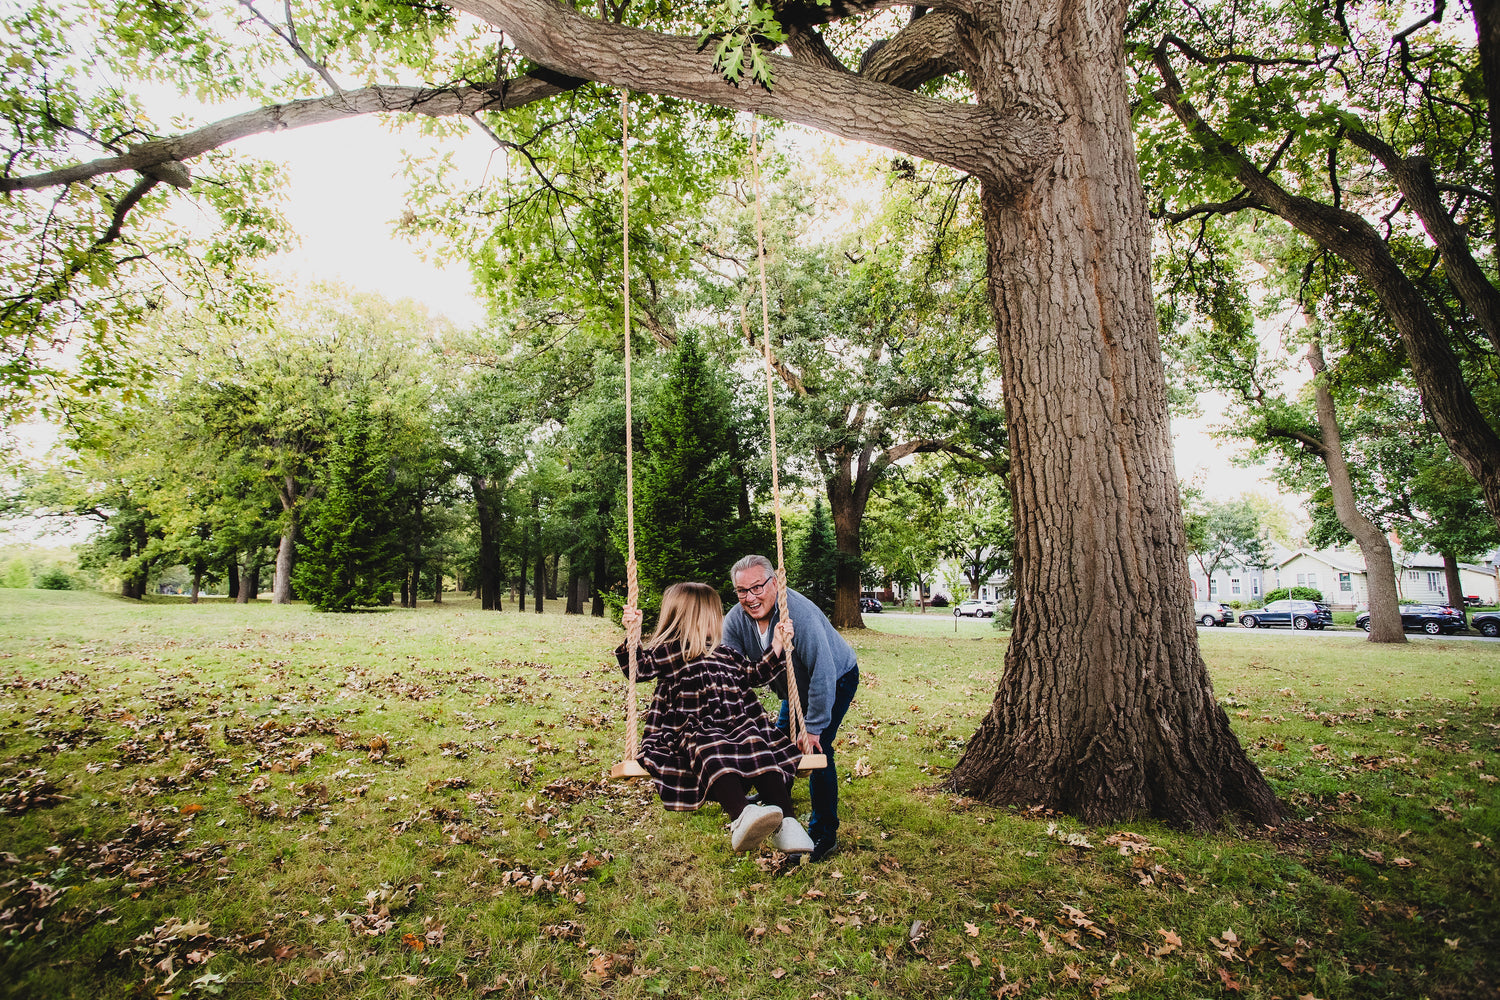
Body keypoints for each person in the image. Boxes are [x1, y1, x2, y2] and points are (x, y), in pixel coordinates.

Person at [617, 582, 816, 855]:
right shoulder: (673, 650)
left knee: (760, 748)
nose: (720, 620)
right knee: (710, 749)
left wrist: (778, 644)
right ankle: (741, 814)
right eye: (716, 614)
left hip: (739, 724)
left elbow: (755, 675)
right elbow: (637, 668)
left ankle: (788, 823)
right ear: (702, 617)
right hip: (693, 729)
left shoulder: (727, 653)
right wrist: (633, 635)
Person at [721, 554, 859, 863]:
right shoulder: (734, 620)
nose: (750, 598)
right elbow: (730, 674)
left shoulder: (799, 615)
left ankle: (824, 832)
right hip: (791, 689)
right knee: (778, 743)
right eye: (742, 591)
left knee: (815, 752)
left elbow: (823, 672)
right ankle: (774, 800)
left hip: (835, 678)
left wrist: (813, 728)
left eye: (757, 587)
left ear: (774, 582)